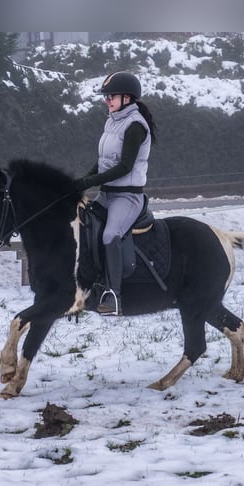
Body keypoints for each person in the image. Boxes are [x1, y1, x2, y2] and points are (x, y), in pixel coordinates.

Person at [74, 71, 157, 316]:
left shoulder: (135, 126)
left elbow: (124, 167)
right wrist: (82, 182)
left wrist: (89, 181)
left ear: (127, 98)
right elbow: (104, 161)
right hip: (107, 194)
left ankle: (113, 294)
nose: (107, 100)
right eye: (106, 96)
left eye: (111, 96)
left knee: (110, 235)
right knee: (83, 225)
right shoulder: (112, 121)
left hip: (127, 197)